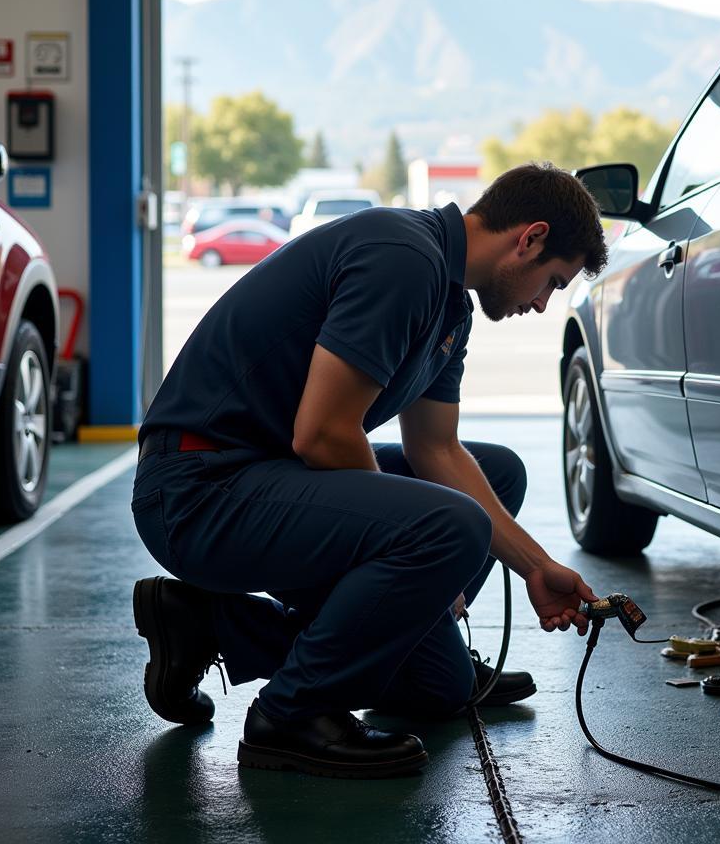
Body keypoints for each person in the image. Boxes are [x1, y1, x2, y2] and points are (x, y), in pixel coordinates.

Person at [130, 162, 608, 779]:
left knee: (442, 678)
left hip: (265, 477)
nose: (542, 304)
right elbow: (324, 433)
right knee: (450, 526)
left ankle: (212, 625)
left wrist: (537, 567)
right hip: (200, 488)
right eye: (552, 282)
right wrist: (431, 545)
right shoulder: (402, 258)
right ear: (531, 238)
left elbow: (437, 450)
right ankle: (292, 714)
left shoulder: (449, 307)